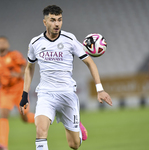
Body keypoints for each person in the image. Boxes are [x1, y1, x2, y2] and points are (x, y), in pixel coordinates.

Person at [20, 5, 112, 150]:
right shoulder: (35, 43)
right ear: (45, 22)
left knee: (74, 145)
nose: (57, 24)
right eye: (52, 20)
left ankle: (78, 129)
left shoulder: (70, 39)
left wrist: (100, 89)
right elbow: (29, 67)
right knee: (40, 131)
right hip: (46, 94)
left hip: (67, 94)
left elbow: (90, 63)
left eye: (59, 20)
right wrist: (25, 94)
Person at [0, 36, 35, 150]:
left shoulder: (14, 55)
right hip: (5, 91)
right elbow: (2, 77)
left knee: (24, 118)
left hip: (19, 89)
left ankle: (44, 118)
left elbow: (27, 67)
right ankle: (3, 144)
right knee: (3, 114)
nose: (1, 44)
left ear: (7, 45)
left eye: (3, 42)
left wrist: (19, 74)